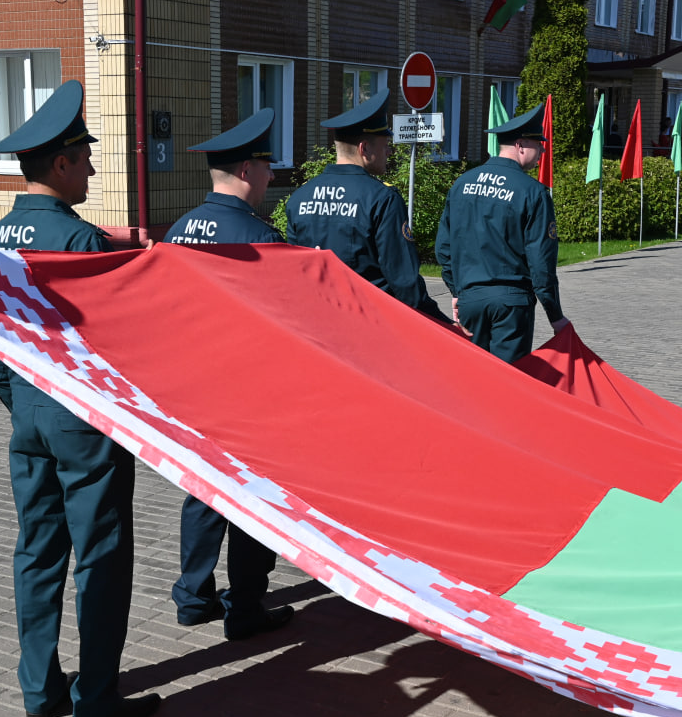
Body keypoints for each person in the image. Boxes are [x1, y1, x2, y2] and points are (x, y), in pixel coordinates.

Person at [0, 80, 160, 717]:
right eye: (85, 159)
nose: (91, 170)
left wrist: (19, 401)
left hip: (27, 415)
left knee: (36, 550)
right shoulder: (84, 242)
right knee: (101, 554)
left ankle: (40, 688)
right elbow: (124, 346)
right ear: (59, 163)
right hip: (83, 419)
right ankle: (97, 699)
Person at [163, 108, 295, 640]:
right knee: (252, 497)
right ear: (246, 170)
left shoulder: (178, 230)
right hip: (249, 392)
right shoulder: (261, 237)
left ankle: (193, 597)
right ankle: (245, 607)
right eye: (266, 166)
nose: (270, 175)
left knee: (202, 490)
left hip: (193, 389)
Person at [285, 89, 450, 324]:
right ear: (364, 149)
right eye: (385, 145)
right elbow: (404, 281)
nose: (389, 152)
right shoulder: (382, 198)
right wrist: (443, 324)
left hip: (317, 322)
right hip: (369, 323)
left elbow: (295, 271)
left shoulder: (300, 197)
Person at [434, 103, 568, 362]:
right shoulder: (533, 192)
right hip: (511, 305)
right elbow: (541, 263)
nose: (542, 150)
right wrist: (556, 316)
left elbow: (444, 248)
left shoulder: (462, 183)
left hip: (470, 300)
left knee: (474, 374)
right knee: (510, 379)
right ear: (520, 145)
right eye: (538, 144)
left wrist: (457, 291)